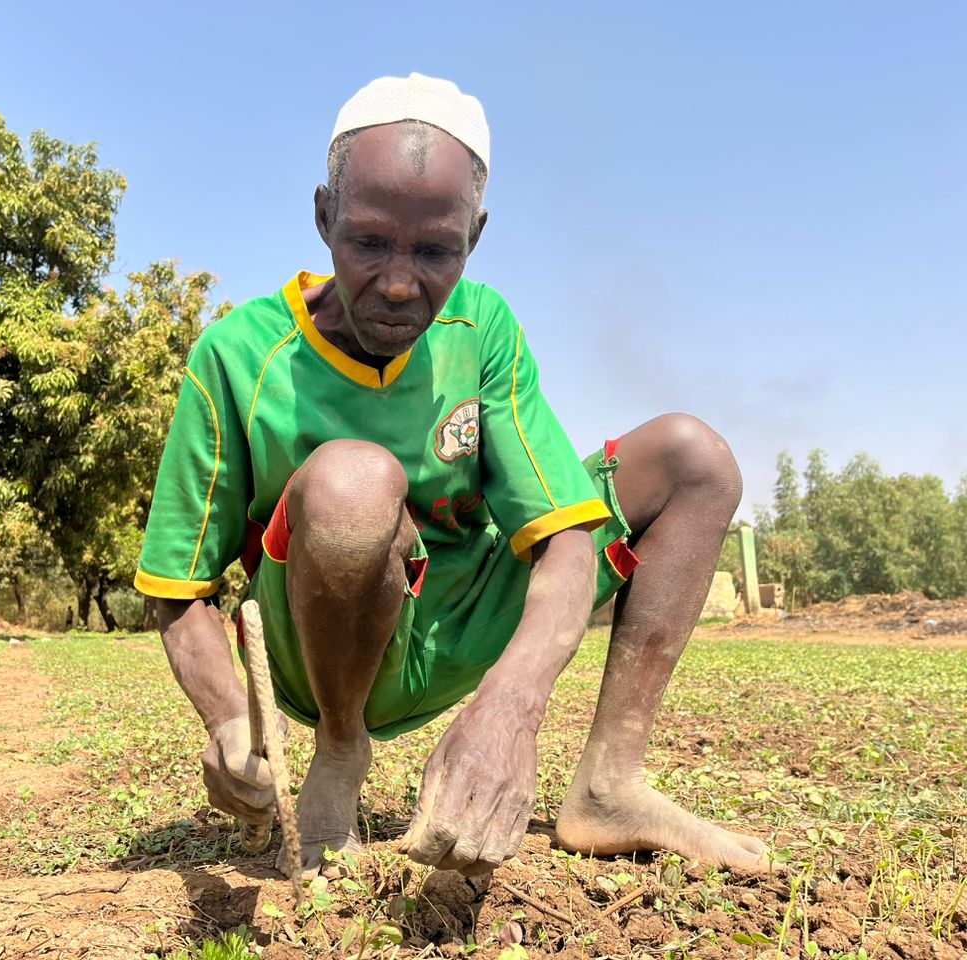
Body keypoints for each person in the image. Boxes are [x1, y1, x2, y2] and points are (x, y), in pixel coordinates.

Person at [135, 74, 770, 877]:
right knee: (354, 482)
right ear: (325, 217)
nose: (401, 283)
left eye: (436, 251)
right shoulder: (238, 357)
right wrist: (230, 721)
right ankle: (340, 748)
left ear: (476, 233)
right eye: (369, 243)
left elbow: (567, 539)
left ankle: (610, 786)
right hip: (319, 649)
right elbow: (176, 589)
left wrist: (511, 709)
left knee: (693, 459)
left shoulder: (484, 326)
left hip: (461, 620)